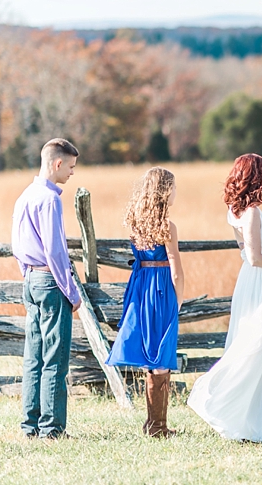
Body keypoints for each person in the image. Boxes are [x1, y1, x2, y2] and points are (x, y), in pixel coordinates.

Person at [187, 153, 262, 443]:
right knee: (254, 347)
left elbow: (245, 249)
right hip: (261, 281)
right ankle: (215, 398)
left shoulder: (233, 210)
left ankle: (248, 423)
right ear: (257, 177)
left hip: (252, 282)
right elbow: (255, 257)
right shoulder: (249, 212)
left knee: (258, 349)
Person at [106, 167, 185, 438]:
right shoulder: (167, 226)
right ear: (164, 191)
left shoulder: (136, 223)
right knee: (161, 354)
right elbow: (175, 266)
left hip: (141, 287)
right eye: (173, 187)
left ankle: (154, 423)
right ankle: (157, 426)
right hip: (161, 287)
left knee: (152, 354)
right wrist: (179, 297)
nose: (175, 192)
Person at [11, 138, 81, 439]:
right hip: (51, 283)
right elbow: (55, 252)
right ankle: (51, 429)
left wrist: (27, 274)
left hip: (30, 280)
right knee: (55, 357)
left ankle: (30, 425)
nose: (72, 173)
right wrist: (72, 292)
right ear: (57, 163)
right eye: (71, 167)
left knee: (34, 356)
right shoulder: (50, 199)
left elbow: (16, 244)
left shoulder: (26, 195)